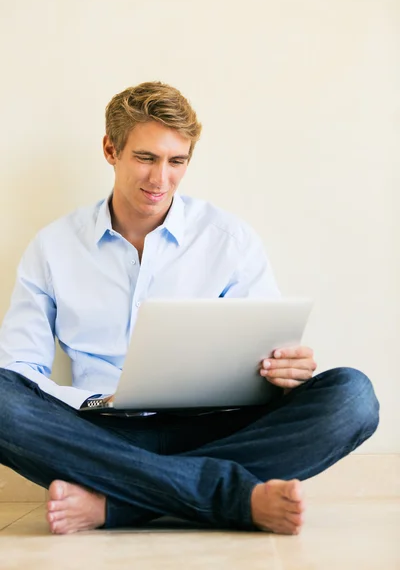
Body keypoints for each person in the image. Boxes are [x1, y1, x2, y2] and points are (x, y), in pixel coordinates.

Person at [0, 82, 379, 536]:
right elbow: (18, 369)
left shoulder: (228, 240)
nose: (160, 179)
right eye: (146, 157)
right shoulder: (54, 246)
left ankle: (119, 505)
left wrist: (285, 372)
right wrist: (94, 401)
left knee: (353, 397)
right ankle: (229, 495)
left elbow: (265, 352)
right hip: (99, 434)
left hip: (214, 430)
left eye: (176, 161)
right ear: (110, 149)